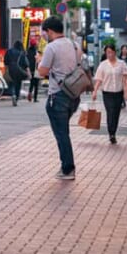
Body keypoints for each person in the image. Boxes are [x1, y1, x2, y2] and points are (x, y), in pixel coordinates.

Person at [38, 15, 82, 180]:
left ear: (49, 31)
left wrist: (39, 61)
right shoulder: (74, 45)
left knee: (61, 133)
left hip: (58, 95)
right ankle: (66, 166)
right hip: (73, 94)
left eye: (45, 32)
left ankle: (68, 168)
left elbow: (42, 72)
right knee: (64, 131)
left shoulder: (52, 47)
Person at [91, 43, 127, 144]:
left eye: (111, 52)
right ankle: (111, 133)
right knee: (110, 112)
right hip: (107, 92)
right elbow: (99, 80)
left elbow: (126, 79)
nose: (110, 54)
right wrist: (94, 91)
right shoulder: (103, 65)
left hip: (118, 92)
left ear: (115, 52)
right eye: (108, 52)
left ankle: (113, 131)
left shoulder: (121, 64)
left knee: (116, 113)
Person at [3, 40, 28, 105]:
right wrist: (28, 71)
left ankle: (13, 94)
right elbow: (25, 63)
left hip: (10, 68)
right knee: (18, 84)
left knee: (12, 83)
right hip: (19, 70)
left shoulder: (9, 51)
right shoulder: (21, 52)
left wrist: (6, 69)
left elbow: (5, 61)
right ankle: (16, 98)